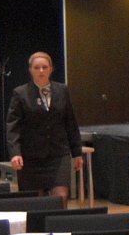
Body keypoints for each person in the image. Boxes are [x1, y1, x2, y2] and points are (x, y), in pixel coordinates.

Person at [5, 51, 82, 197]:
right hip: (31, 157)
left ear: (51, 69)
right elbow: (13, 126)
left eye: (44, 67)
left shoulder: (62, 90)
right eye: (36, 67)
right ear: (30, 70)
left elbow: (70, 122)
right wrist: (15, 153)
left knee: (61, 196)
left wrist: (77, 152)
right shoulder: (21, 93)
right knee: (35, 201)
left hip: (58, 154)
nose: (41, 71)